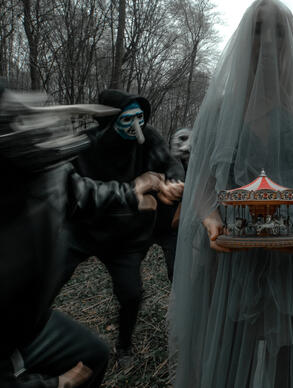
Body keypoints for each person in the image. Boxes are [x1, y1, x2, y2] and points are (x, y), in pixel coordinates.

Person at [0, 78, 165, 387]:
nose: (35, 122)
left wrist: (131, 192)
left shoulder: (41, 176)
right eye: (17, 116)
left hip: (28, 324)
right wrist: (54, 385)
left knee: (92, 355)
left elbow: (78, 190)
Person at [168, 0, 293, 387]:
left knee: (292, 352)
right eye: (258, 30)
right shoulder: (220, 113)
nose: (268, 42)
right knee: (225, 349)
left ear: (292, 41)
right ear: (242, 41)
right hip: (230, 264)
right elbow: (202, 183)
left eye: (279, 32)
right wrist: (209, 218)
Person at [61, 89, 185, 355]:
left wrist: (174, 182)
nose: (136, 126)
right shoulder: (84, 145)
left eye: (140, 117)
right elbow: (73, 192)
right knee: (49, 279)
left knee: (131, 294)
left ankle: (124, 347)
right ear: (109, 122)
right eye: (127, 120)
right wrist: (133, 188)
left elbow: (169, 162)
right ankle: (27, 336)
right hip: (84, 230)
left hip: (125, 237)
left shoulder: (149, 137)